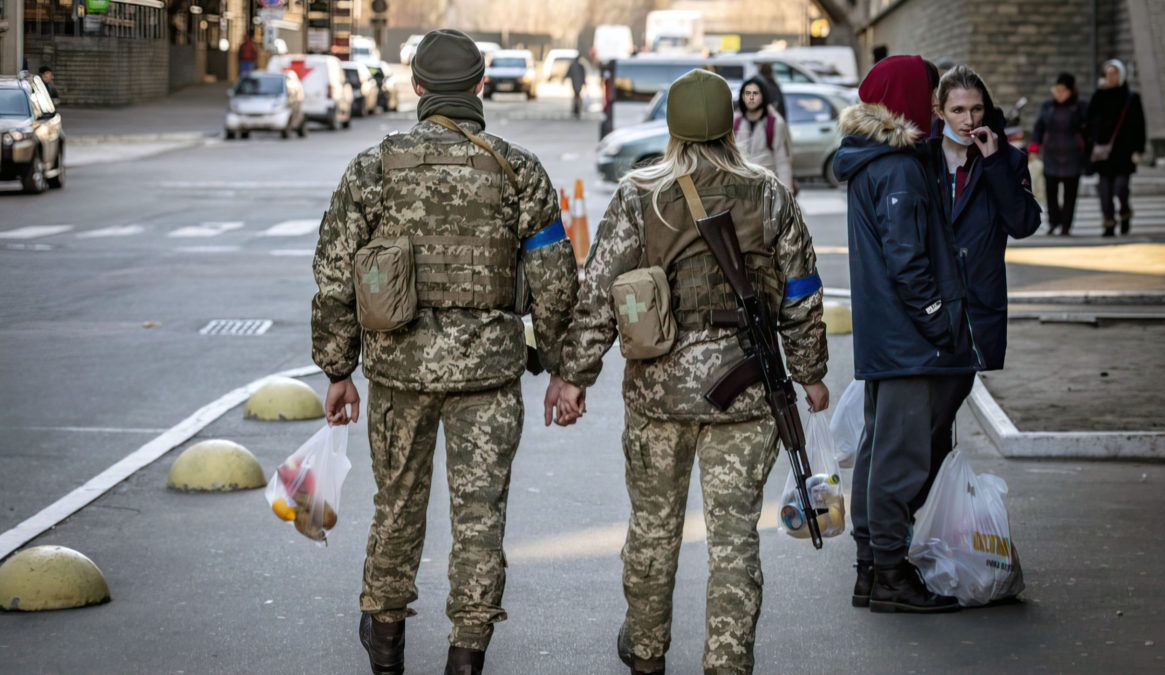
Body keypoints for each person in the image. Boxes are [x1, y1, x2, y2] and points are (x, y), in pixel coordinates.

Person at [311, 29, 579, 675]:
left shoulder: (374, 167)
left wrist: (337, 369)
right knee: (480, 514)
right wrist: (566, 370)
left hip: (398, 370)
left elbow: (334, 274)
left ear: (417, 87)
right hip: (487, 372)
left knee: (396, 505)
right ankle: (467, 652)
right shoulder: (518, 169)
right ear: (481, 85)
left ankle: (385, 640)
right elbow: (555, 279)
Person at [554, 68, 830, 675]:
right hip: (748, 389)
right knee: (734, 538)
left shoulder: (640, 194)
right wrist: (809, 372)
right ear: (732, 123)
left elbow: (600, 291)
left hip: (658, 393)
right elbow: (802, 292)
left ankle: (646, 652)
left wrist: (573, 374)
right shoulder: (769, 194)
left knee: (653, 529)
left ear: (671, 126)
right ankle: (727, 662)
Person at [832, 55, 979, 614]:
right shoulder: (896, 168)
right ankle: (889, 575)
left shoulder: (877, 160)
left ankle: (873, 568)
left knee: (879, 450)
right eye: (930, 93)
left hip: (889, 337)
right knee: (901, 458)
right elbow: (908, 261)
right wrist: (941, 320)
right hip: (908, 341)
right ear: (910, 101)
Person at [920, 64, 1039, 495]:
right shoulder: (922, 159)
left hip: (973, 312)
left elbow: (1024, 223)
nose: (969, 120)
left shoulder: (1005, 160)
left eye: (976, 109)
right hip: (927, 308)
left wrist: (993, 165)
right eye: (957, 110)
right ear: (939, 111)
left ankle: (932, 511)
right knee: (927, 421)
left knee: (941, 413)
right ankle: (926, 511)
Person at [1086, 59, 1147, 236]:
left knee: (1121, 188)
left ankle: (1125, 213)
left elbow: (1139, 125)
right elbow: (1089, 123)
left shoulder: (1131, 97)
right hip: (1103, 153)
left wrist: (1138, 150)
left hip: (1124, 153)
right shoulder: (1099, 96)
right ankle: (1109, 222)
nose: (1111, 77)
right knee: (1104, 191)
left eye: (1115, 74)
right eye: (1108, 74)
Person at [1031, 72, 1089, 235]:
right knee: (1051, 191)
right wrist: (1034, 149)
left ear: (1071, 91)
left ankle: (1066, 224)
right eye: (1057, 89)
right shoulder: (1048, 106)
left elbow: (1088, 132)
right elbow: (1039, 128)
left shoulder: (1079, 107)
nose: (1059, 93)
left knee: (1071, 193)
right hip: (1051, 153)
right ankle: (1053, 221)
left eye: (1063, 90)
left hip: (1073, 155)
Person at [734, 76, 793, 190]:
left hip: (767, 190)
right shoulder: (736, 123)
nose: (751, 97)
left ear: (763, 96)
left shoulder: (775, 123)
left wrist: (787, 194)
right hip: (742, 191)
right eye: (747, 93)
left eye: (755, 93)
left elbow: (783, 162)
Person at [565, 54, 587, 118]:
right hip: (578, 83)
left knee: (576, 95)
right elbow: (583, 75)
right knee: (577, 95)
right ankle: (576, 108)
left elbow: (568, 73)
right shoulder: (580, 66)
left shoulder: (575, 66)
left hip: (575, 83)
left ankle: (576, 108)